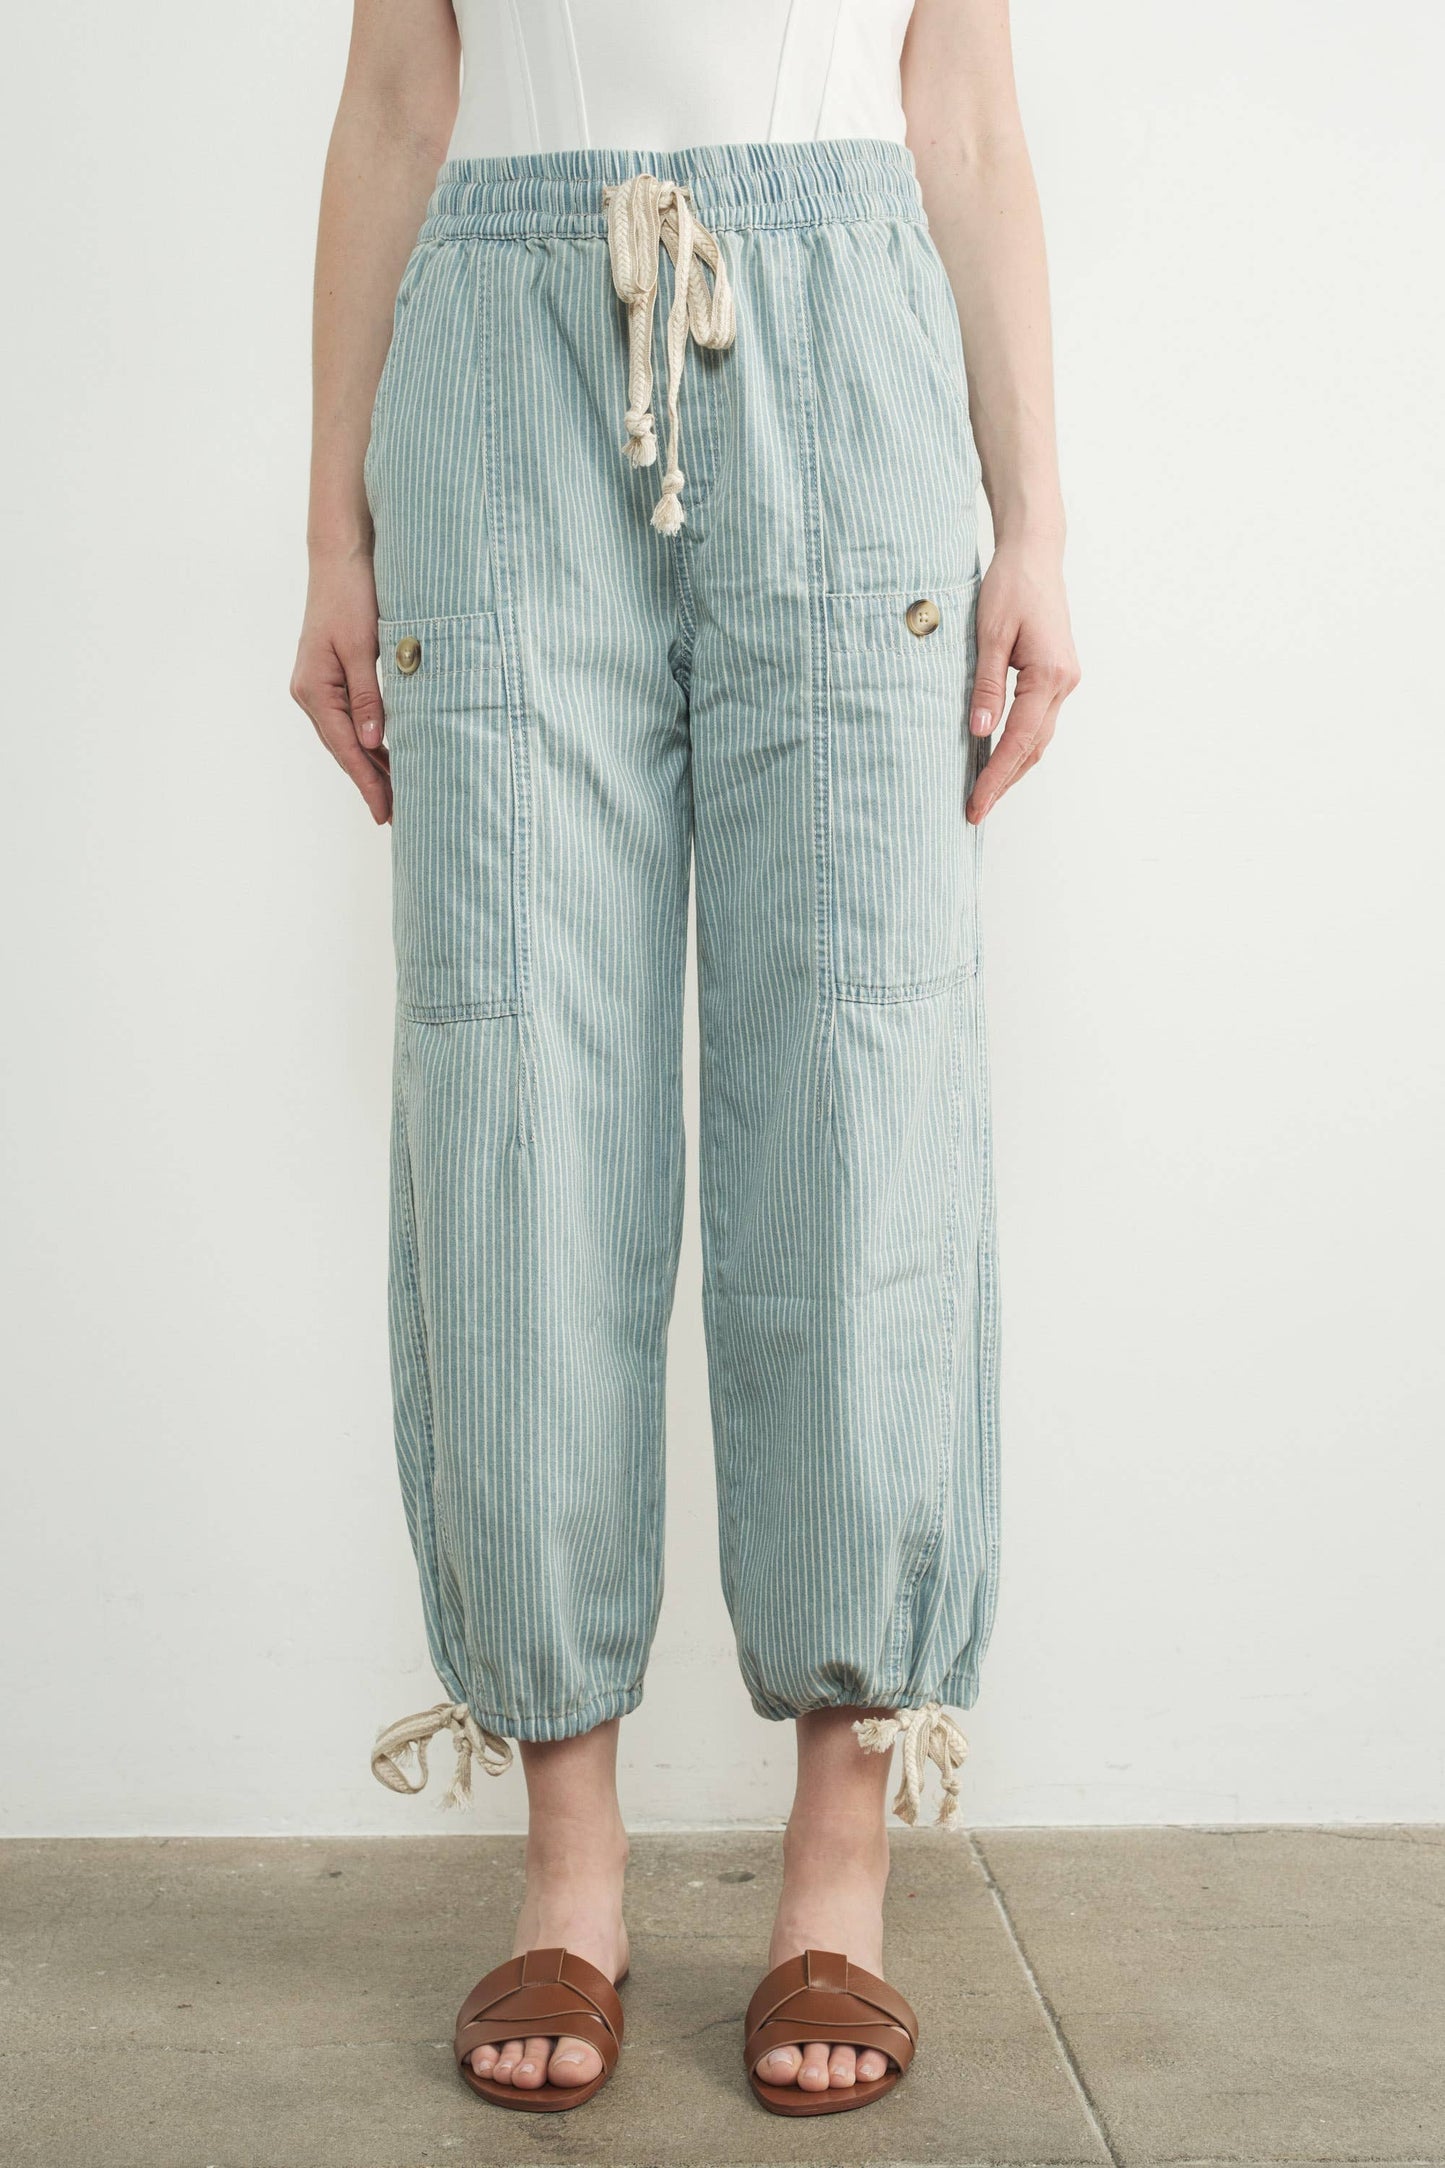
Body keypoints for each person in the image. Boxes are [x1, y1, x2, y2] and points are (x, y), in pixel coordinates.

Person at [292, 0, 1079, 2121]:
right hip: (499, 363)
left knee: (858, 1079)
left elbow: (960, 107)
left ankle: (840, 1861)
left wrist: (1035, 523)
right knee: (515, 1093)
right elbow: (395, 94)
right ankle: (571, 1859)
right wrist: (331, 537)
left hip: (847, 345)